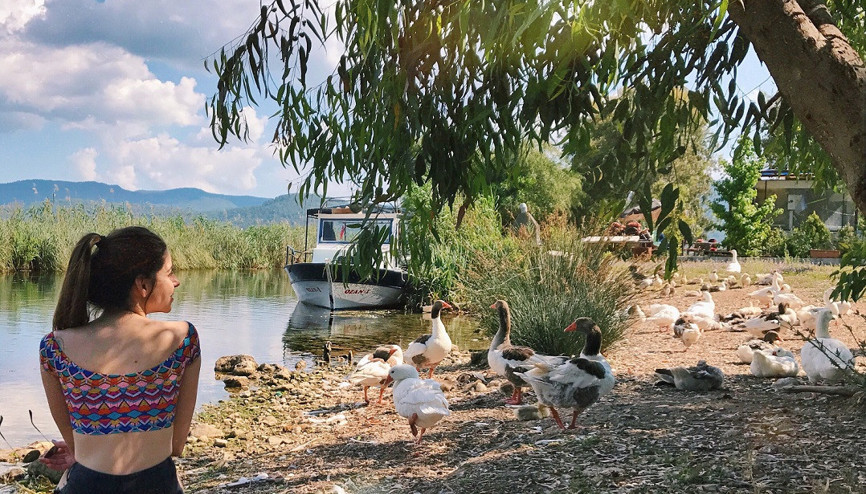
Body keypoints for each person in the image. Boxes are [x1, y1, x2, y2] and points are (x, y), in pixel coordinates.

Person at [38, 226, 201, 494]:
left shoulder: (55, 348)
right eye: (169, 272)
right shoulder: (183, 340)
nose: (176, 281)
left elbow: (77, 447)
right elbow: (176, 445)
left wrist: (96, 445)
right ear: (143, 285)